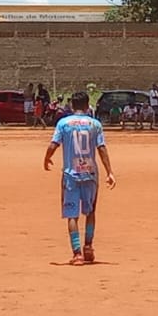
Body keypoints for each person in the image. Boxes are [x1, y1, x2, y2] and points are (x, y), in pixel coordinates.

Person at [44, 91, 117, 265]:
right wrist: (109, 171)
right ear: (87, 106)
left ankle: (77, 254)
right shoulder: (95, 124)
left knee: (72, 215)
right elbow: (101, 148)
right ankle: (88, 247)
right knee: (91, 212)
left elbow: (53, 144)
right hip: (90, 173)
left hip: (71, 174)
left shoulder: (63, 123)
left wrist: (46, 157)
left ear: (72, 106)